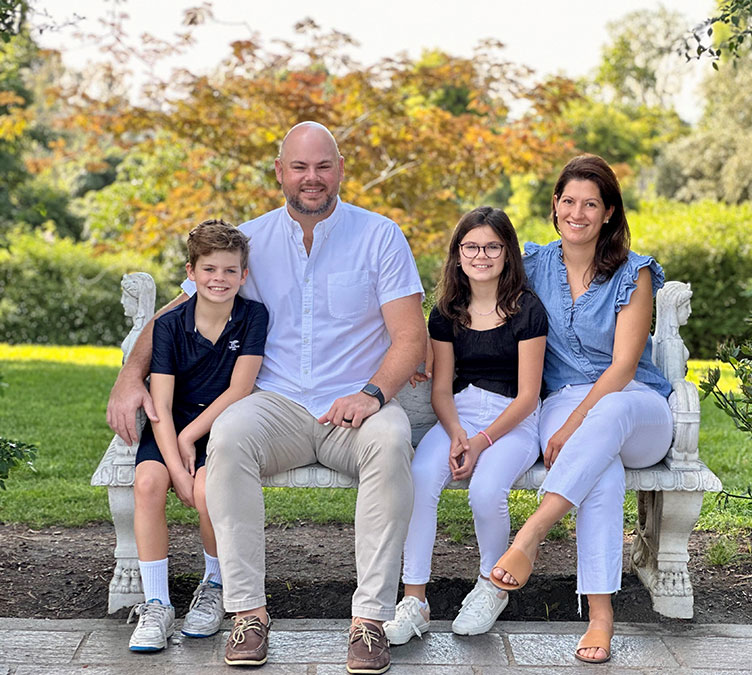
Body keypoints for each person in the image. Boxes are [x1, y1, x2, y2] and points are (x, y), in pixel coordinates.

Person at [106, 122, 427, 673]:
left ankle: (369, 621)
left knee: (394, 438)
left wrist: (373, 394)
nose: (312, 178)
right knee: (229, 435)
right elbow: (173, 317)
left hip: (353, 405)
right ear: (280, 172)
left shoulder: (379, 235)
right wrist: (127, 376)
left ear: (340, 169)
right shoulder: (250, 242)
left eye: (323, 166)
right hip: (274, 404)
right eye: (299, 167)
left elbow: (409, 335)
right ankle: (248, 614)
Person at [490, 155, 674, 665]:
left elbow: (622, 368)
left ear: (609, 212)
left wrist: (575, 423)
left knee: (609, 416)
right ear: (555, 206)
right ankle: (600, 615)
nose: (578, 212)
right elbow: (475, 302)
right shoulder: (530, 265)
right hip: (563, 402)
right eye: (568, 201)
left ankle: (530, 534)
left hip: (635, 405)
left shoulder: (633, 274)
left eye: (591, 203)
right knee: (602, 474)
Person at [383, 207, 547, 644]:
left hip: (514, 420)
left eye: (492, 247)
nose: (481, 255)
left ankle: (491, 586)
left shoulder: (527, 310)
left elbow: (529, 395)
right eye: (471, 246)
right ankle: (414, 600)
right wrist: (457, 432)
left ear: (507, 254)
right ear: (457, 254)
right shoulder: (446, 312)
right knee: (418, 477)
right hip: (461, 414)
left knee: (486, 490)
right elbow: (441, 391)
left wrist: (481, 441)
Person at [128, 220, 268, 652]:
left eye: (229, 271)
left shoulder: (252, 317)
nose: (219, 279)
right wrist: (176, 465)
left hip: (223, 422)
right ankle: (156, 604)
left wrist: (191, 439)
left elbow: (240, 389)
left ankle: (213, 587)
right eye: (209, 270)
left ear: (243, 275)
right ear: (191, 273)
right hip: (170, 424)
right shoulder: (170, 325)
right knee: (148, 483)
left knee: (209, 490)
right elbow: (161, 407)